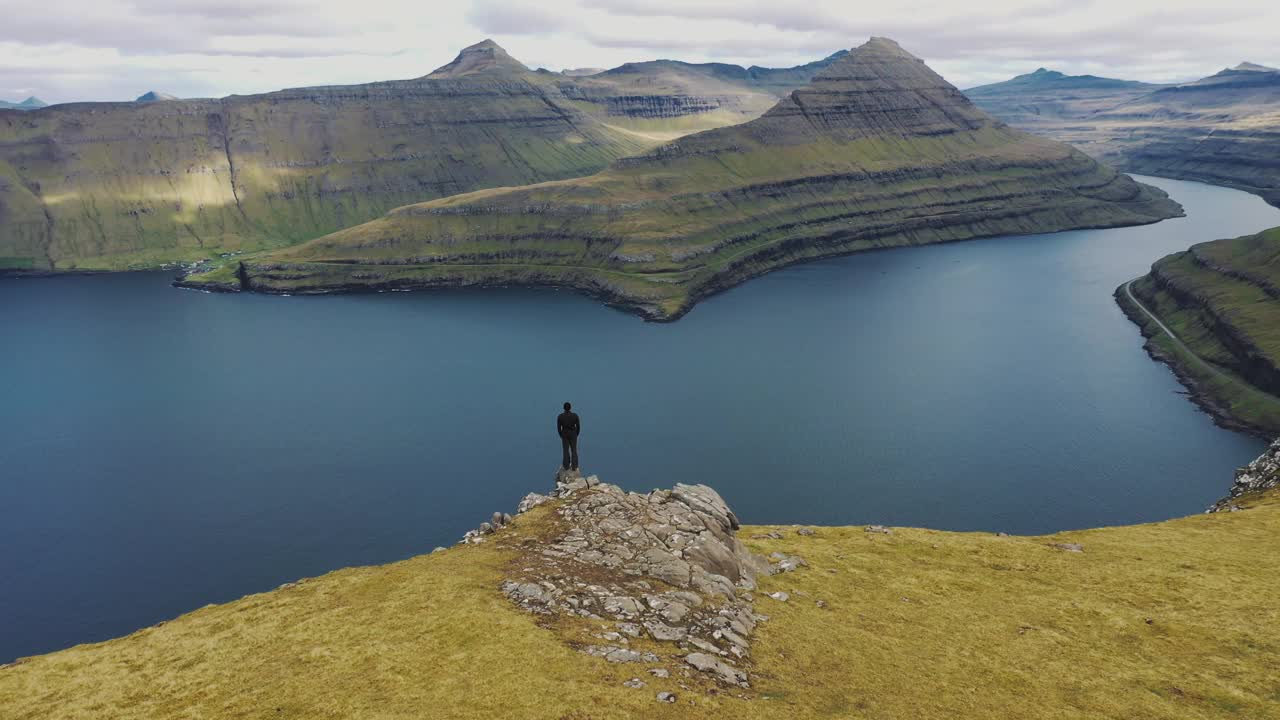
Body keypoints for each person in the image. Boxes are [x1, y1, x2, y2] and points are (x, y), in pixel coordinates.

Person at [557, 402, 581, 471]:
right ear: (570, 407)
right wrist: (576, 434)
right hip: (573, 434)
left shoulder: (560, 416)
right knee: (574, 450)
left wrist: (561, 435)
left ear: (564, 408)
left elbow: (559, 428)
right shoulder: (575, 415)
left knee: (565, 450)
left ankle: (566, 466)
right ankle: (574, 466)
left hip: (564, 434)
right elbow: (578, 427)